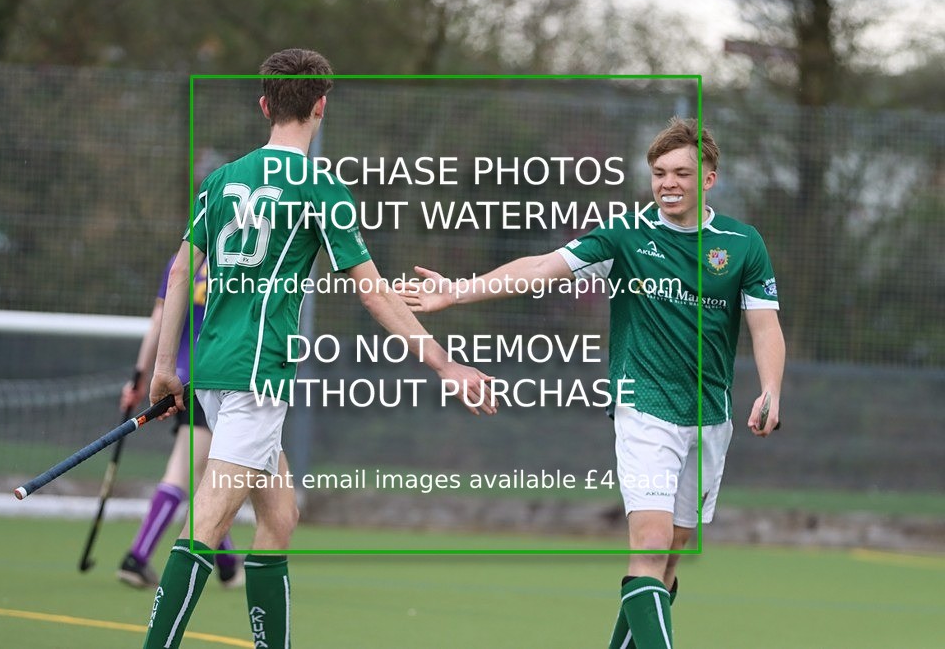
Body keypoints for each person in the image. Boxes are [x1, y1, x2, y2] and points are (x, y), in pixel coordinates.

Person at [143, 48, 495, 649]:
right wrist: (442, 361)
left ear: (264, 106)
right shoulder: (321, 187)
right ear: (322, 106)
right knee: (207, 521)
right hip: (261, 375)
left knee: (279, 520)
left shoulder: (221, 180)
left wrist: (161, 371)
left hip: (216, 366)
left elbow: (180, 276)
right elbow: (373, 293)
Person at [398, 117, 785, 649]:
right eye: (658, 173)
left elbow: (765, 326)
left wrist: (771, 389)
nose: (668, 183)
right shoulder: (624, 235)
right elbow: (541, 267)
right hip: (643, 407)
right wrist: (457, 292)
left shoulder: (742, 244)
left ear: (709, 179)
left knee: (671, 552)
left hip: (709, 417)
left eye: (681, 173)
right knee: (648, 544)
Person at [116, 255, 242, 590]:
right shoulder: (241, 262)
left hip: (182, 375)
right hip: (219, 377)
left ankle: (228, 562)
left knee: (200, 472)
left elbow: (159, 320)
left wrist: (140, 377)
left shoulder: (183, 260)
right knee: (185, 470)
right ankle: (138, 557)